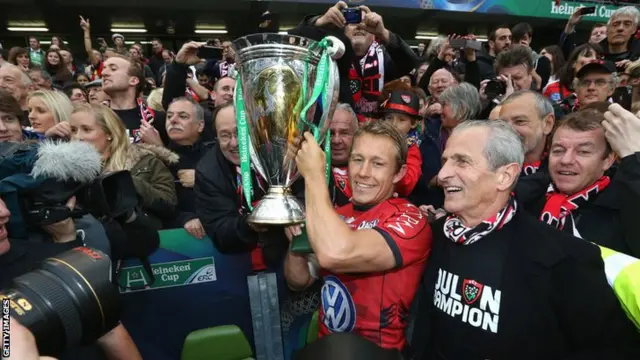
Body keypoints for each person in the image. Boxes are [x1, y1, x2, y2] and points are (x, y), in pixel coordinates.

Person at [409, 120, 640, 360]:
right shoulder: (436, 234)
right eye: (446, 161)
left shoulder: (567, 258)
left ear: (505, 176)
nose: (444, 174)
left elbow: (610, 349)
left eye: (462, 161)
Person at [285, 120, 431, 352]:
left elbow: (337, 254)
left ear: (398, 173)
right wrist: (296, 243)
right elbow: (298, 281)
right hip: (328, 348)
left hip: (377, 354)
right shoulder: (334, 216)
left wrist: (314, 175)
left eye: (378, 164)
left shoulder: (410, 219)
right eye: (358, 159)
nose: (363, 173)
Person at [517, 106, 640, 258]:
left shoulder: (627, 206)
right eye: (558, 150)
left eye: (583, 152)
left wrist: (635, 160)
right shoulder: (525, 197)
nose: (566, 160)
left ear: (608, 160)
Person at [195, 104, 299, 270]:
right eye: (225, 135)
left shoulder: (282, 154)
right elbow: (220, 230)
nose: (235, 143)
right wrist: (252, 224)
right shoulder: (208, 172)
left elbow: (304, 199)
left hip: (289, 256)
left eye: (240, 132)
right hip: (238, 263)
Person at [68, 104, 177, 229]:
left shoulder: (146, 162)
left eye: (86, 130)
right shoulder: (66, 169)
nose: (77, 137)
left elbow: (169, 206)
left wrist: (126, 181)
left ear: (109, 133)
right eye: (73, 130)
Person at [163, 97, 214, 236]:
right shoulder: (157, 160)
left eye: (183, 116)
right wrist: (184, 219)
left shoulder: (217, 155)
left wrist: (200, 179)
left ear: (200, 125)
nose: (173, 120)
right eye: (169, 116)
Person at [499, 90, 555, 175]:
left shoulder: (565, 166)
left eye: (520, 121)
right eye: (502, 124)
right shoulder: (487, 165)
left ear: (547, 124)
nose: (508, 130)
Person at [328, 103, 359, 207]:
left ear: (357, 135)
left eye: (344, 133)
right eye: (331, 133)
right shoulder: (309, 170)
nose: (336, 140)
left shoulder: (370, 171)